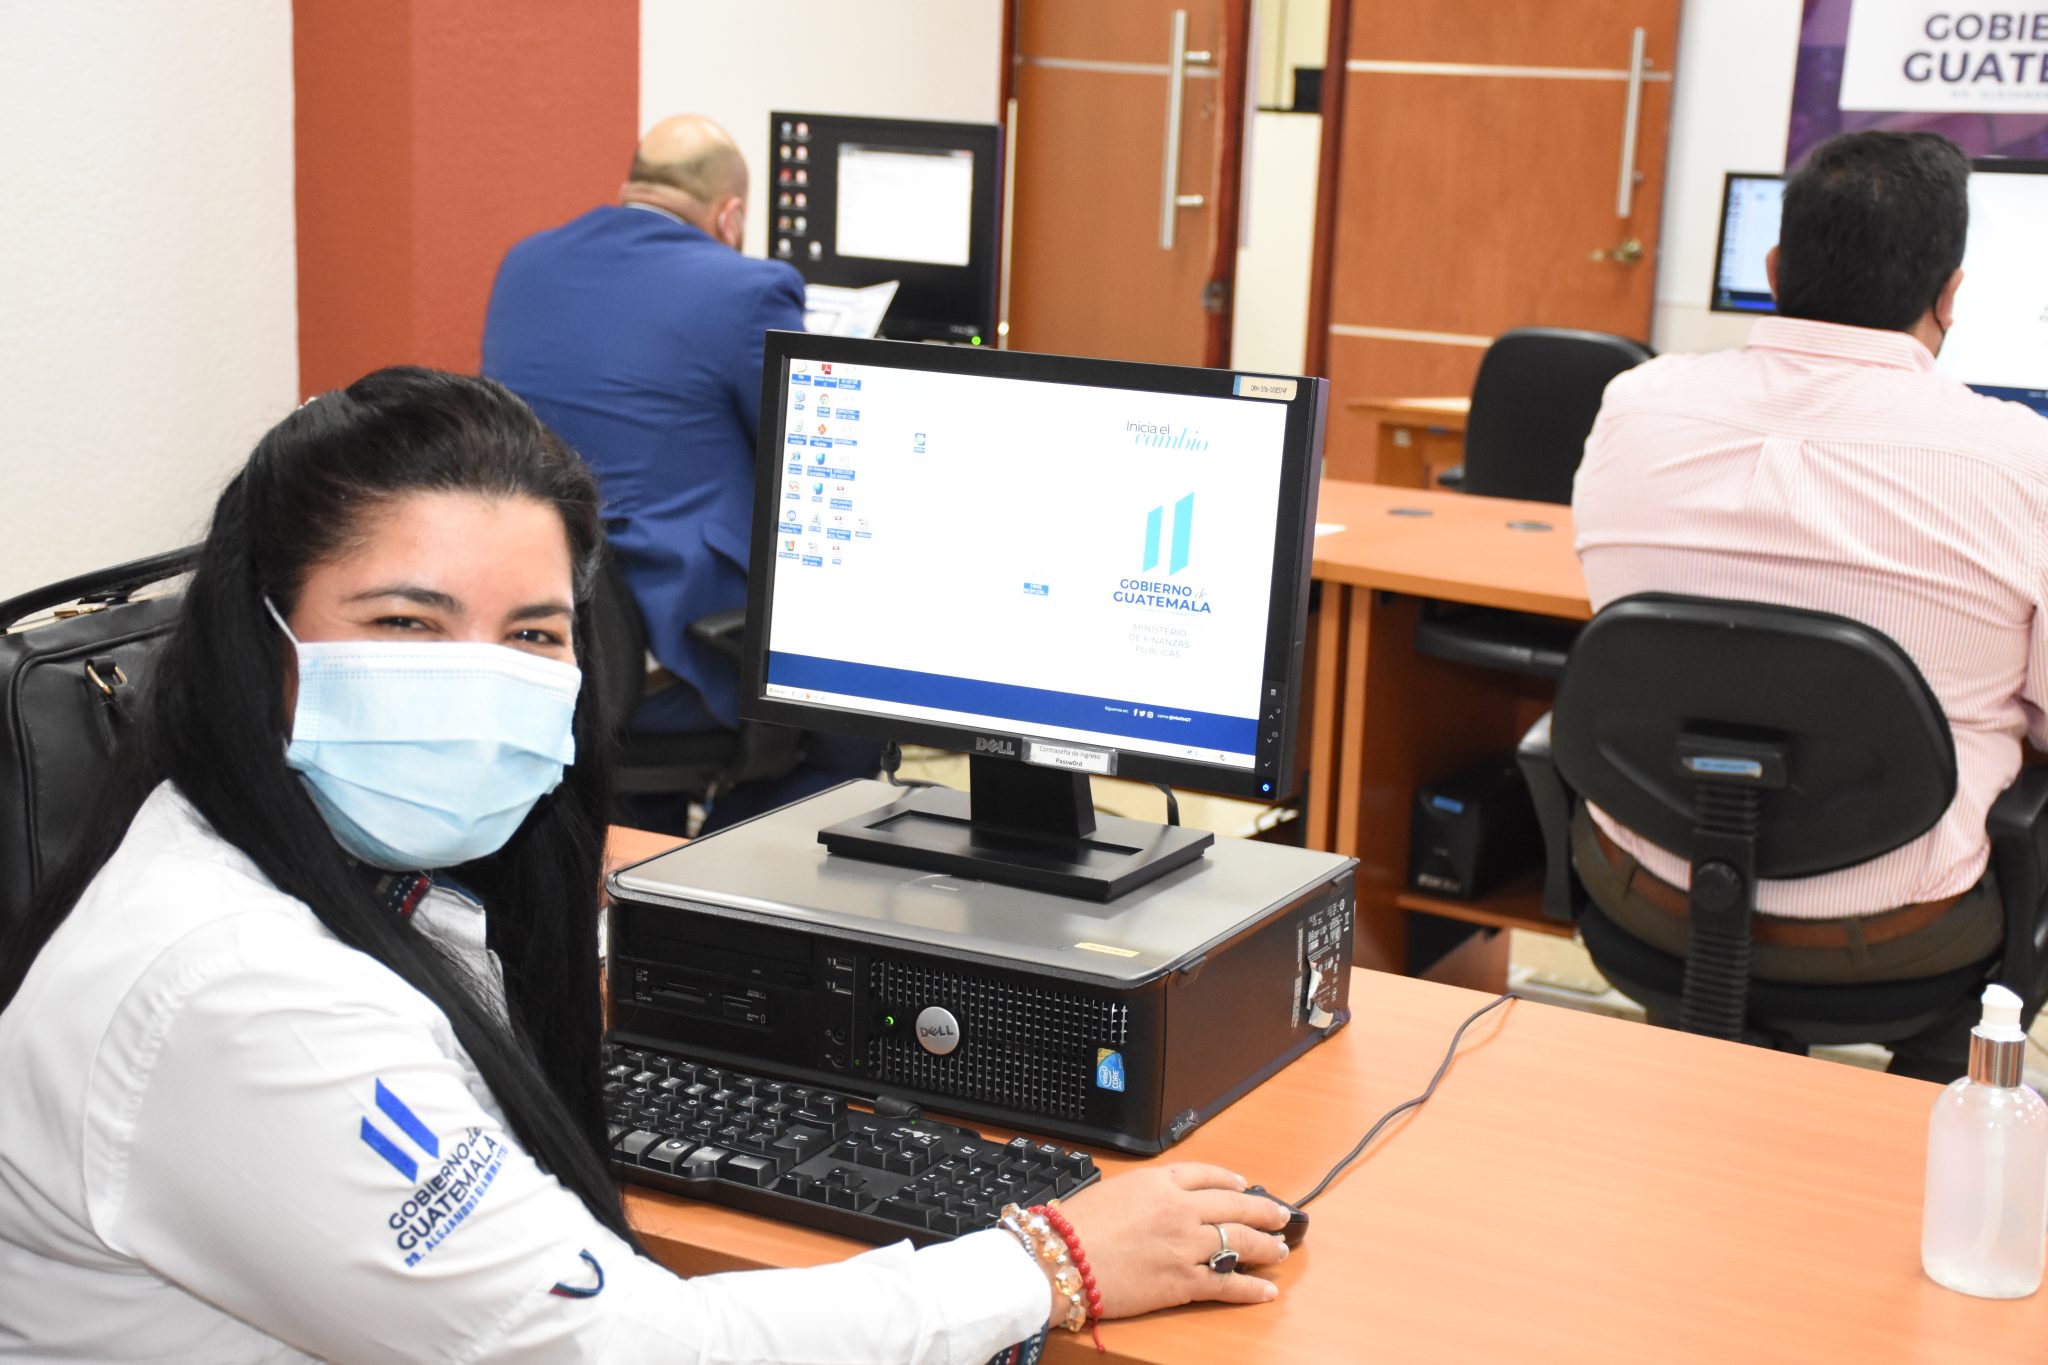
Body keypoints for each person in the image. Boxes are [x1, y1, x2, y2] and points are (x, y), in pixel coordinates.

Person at [0, 369, 1291, 1361]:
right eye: (406, 621)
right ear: (261, 639)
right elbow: (624, 1350)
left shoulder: (323, 868)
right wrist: (1046, 1260)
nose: (478, 682)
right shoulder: (239, 995)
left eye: (532, 634)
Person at [1571, 130, 2048, 1079]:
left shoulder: (1634, 404)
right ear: (1950, 295)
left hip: (1652, 899)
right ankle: (1928, 1108)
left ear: (1775, 268)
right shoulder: (2021, 461)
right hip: (1901, 938)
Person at [482, 114, 876, 833]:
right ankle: (729, 867)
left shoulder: (525, 264)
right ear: (730, 216)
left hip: (545, 632)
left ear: (633, 186)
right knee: (856, 710)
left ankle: (649, 853)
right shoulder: (749, 290)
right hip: (678, 651)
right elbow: (816, 458)